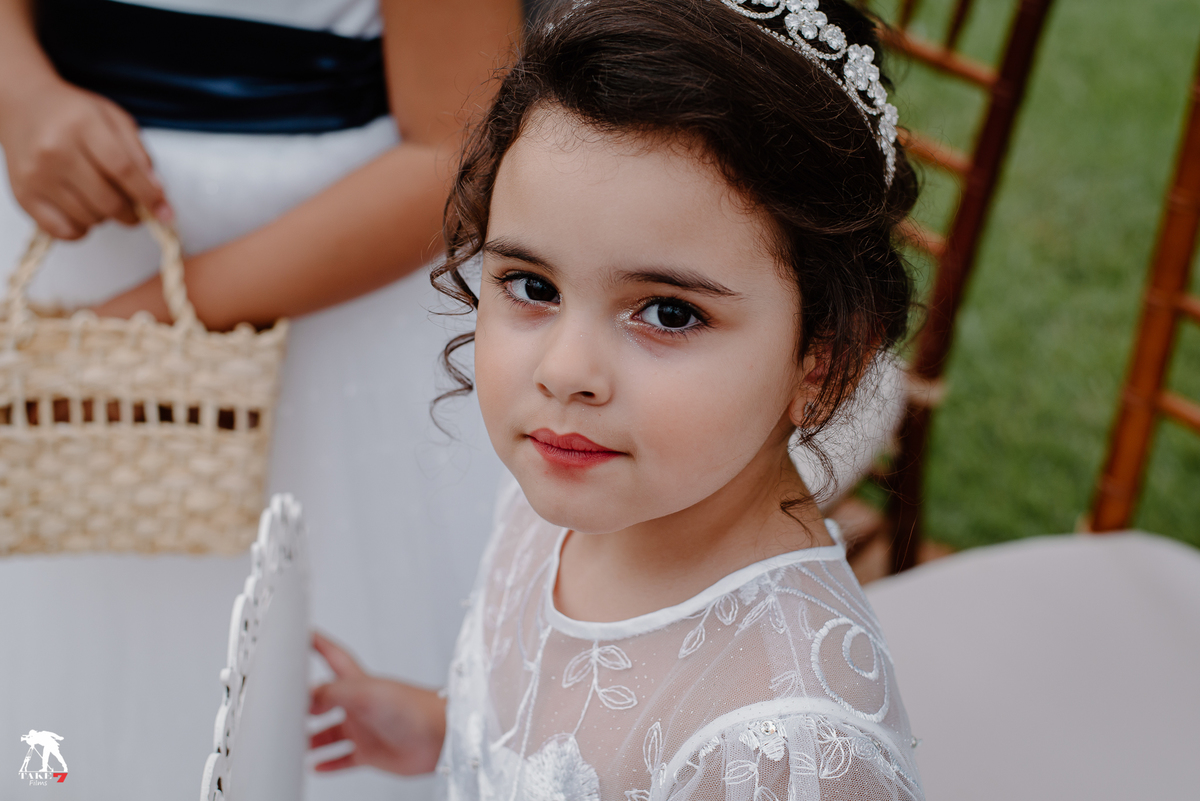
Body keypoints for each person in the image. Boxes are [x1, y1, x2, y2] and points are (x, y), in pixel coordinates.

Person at [308, 1, 925, 798]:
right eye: (532, 286)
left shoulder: (779, 753)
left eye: (669, 312)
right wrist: (446, 727)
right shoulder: (573, 481)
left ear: (824, 358)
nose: (566, 371)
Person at [0, 2, 517, 799]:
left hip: (327, 287)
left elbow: (463, 143)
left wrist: (146, 323)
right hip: (60, 224)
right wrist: (19, 88)